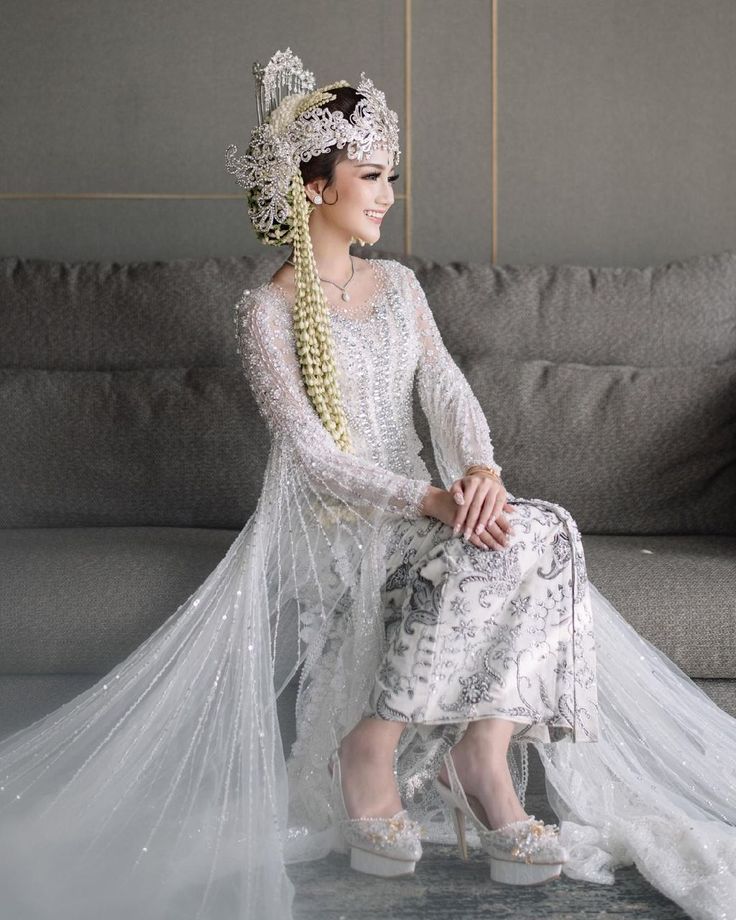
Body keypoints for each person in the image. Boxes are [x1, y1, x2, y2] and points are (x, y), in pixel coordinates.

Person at [0, 46, 734, 920]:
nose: (388, 195)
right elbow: (310, 454)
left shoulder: (399, 286)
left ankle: (482, 755)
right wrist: (426, 500)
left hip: (428, 500)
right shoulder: (266, 312)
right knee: (473, 557)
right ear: (314, 186)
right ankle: (371, 750)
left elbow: (447, 389)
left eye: (393, 176)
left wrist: (480, 474)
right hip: (338, 523)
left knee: (545, 530)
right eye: (372, 175)